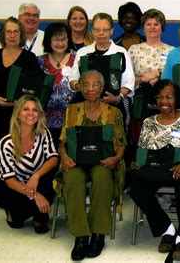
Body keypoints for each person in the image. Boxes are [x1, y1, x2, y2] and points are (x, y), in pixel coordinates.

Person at [130, 80, 180, 261]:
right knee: (136, 187)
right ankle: (167, 229)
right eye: (160, 97)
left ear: (176, 99)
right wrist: (136, 163)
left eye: (169, 97)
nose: (164, 101)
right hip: (155, 169)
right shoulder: (148, 122)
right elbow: (142, 151)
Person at [58, 70, 126, 260]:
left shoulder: (114, 113)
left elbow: (121, 144)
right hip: (76, 162)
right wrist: (64, 157)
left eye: (95, 84)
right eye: (85, 84)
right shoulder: (72, 111)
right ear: (79, 87)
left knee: (102, 177)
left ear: (102, 88)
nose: (90, 89)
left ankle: (97, 234)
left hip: (104, 162)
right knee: (71, 179)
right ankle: (80, 236)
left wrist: (116, 158)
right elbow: (62, 143)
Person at [0, 17, 42, 213]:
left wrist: (21, 103)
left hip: (17, 116)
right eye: (9, 32)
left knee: (14, 157)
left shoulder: (29, 58)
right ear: (3, 35)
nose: (13, 35)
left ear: (21, 35)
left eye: (16, 32)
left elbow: (35, 88)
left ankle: (16, 195)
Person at [0, 94, 58, 233]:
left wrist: (36, 176)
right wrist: (36, 196)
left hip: (36, 181)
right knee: (16, 222)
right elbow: (9, 180)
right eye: (25, 109)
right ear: (17, 114)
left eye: (35, 110)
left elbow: (53, 158)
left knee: (52, 179)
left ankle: (39, 218)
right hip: (13, 186)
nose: (31, 113)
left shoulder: (43, 133)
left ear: (39, 114)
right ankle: (16, 213)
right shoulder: (6, 142)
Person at [68, 12, 134, 137]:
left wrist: (117, 97)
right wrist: (80, 87)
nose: (101, 33)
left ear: (111, 31)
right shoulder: (83, 53)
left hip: (114, 105)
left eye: (105, 30)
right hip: (85, 105)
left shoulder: (121, 52)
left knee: (114, 142)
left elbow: (129, 83)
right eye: (97, 30)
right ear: (92, 31)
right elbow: (73, 79)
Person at [128, 8, 174, 148]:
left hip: (165, 103)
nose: (152, 27)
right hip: (141, 103)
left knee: (165, 141)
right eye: (149, 24)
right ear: (143, 28)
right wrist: (144, 78)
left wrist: (158, 75)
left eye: (156, 24)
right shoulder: (134, 50)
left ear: (162, 28)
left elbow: (174, 79)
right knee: (141, 140)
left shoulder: (172, 51)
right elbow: (127, 79)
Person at [38, 22, 76, 145]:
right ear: (49, 41)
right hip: (43, 121)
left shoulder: (77, 60)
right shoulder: (39, 61)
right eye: (56, 39)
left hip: (72, 121)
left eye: (63, 39)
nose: (60, 43)